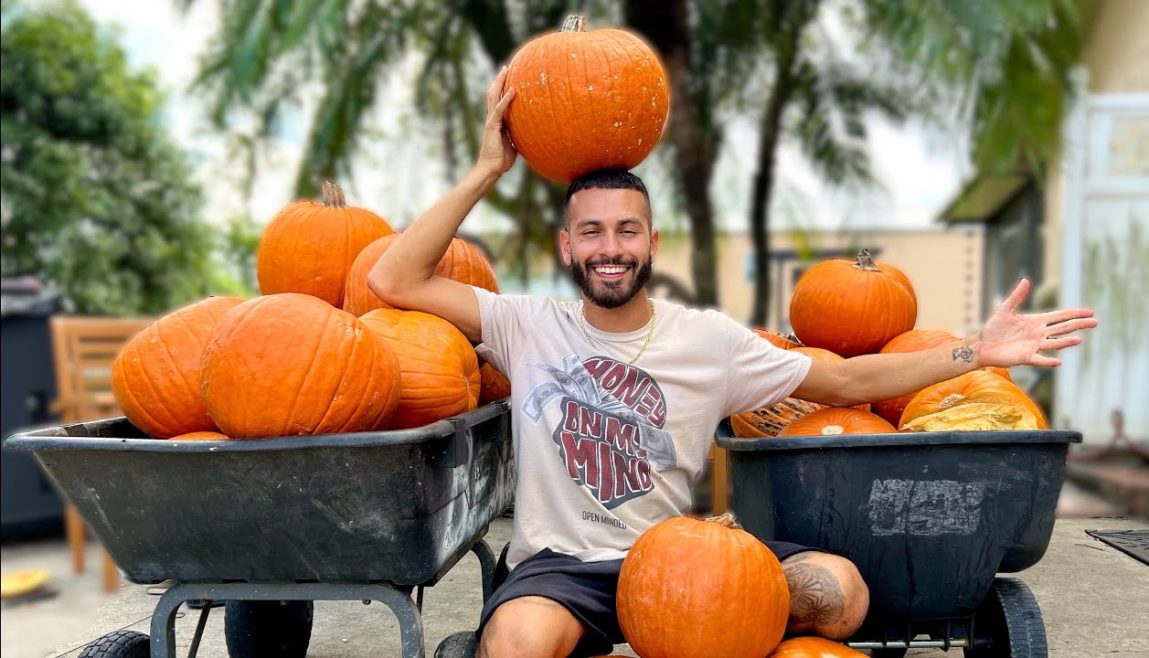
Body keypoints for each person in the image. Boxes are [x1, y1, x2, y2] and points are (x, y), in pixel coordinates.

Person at [366, 67, 1097, 658]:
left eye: (626, 230)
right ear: (568, 248)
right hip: (564, 567)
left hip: (685, 560)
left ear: (651, 242)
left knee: (840, 593)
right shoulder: (526, 324)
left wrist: (978, 350)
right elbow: (393, 280)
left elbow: (846, 379)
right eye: (591, 232)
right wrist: (487, 170)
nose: (609, 247)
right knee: (517, 644)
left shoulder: (708, 340)